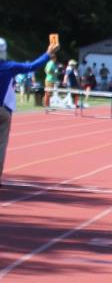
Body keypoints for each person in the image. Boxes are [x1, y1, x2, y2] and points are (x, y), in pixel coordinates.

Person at [0, 41, 57, 186]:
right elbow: (31, 66)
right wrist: (48, 53)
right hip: (3, 110)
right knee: (1, 145)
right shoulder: (9, 66)